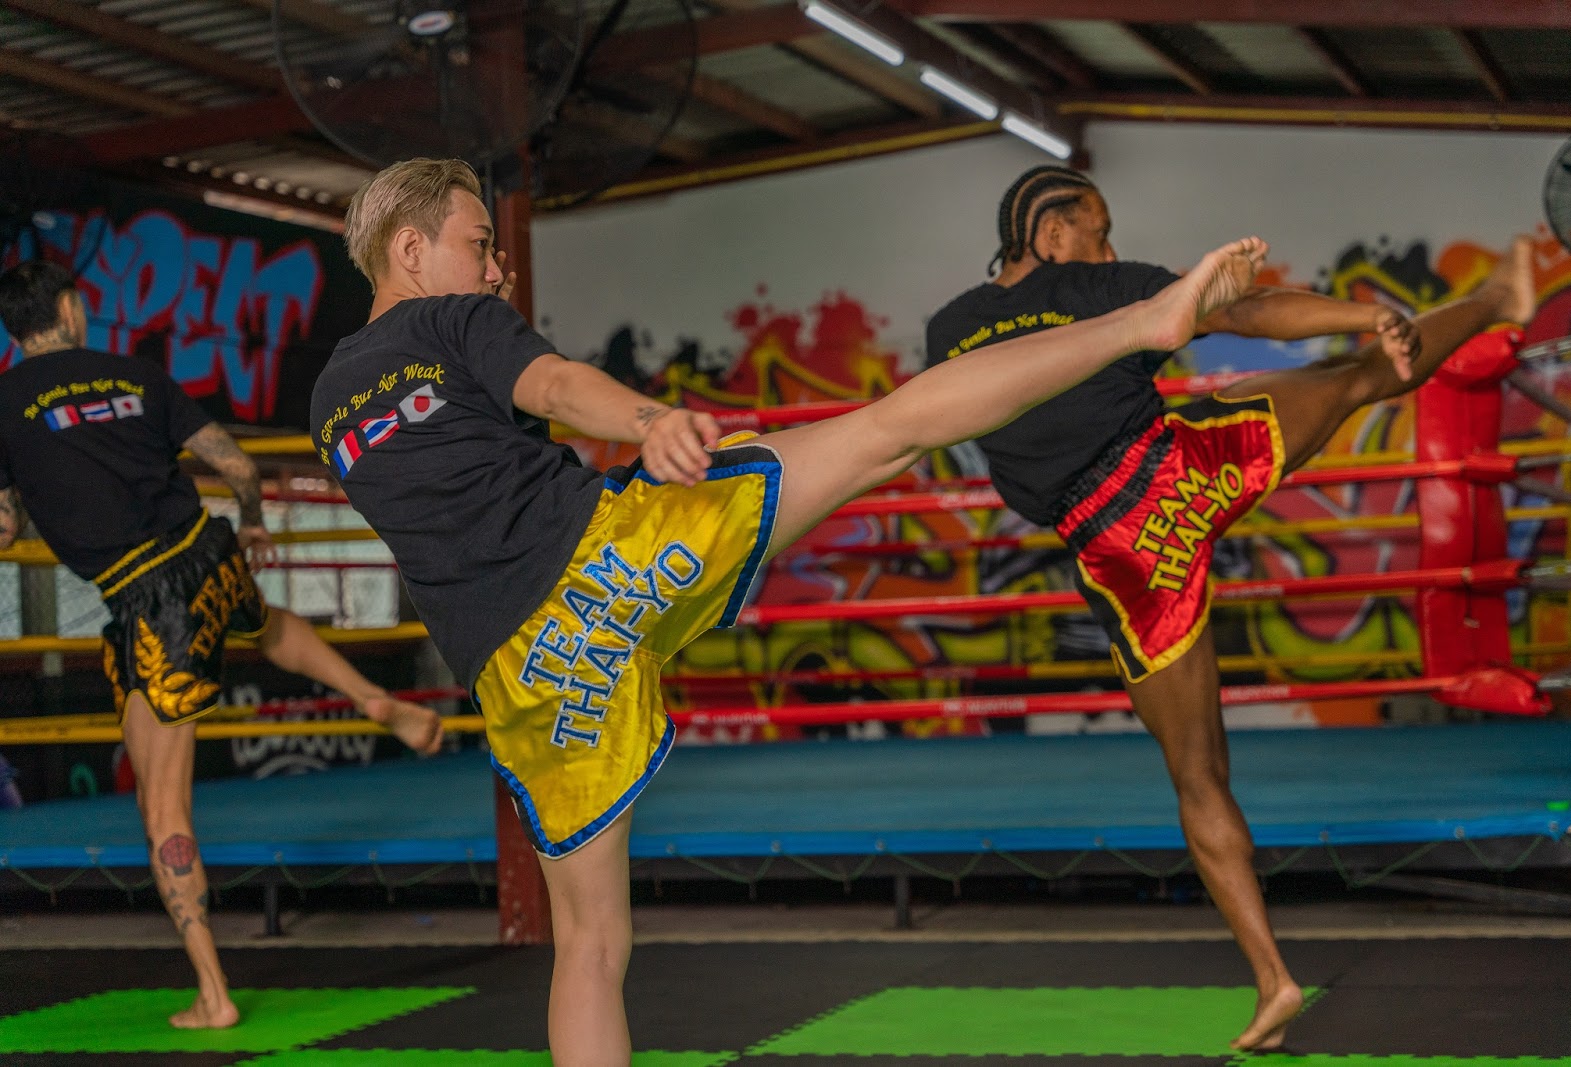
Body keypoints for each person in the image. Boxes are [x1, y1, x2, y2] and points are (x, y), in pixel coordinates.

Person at [311, 156, 1271, 1064]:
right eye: (479, 242)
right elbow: (555, 385)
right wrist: (653, 421)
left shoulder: (329, 403)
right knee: (885, 433)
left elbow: (465, 494)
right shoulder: (452, 322)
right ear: (410, 251)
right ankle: (1145, 323)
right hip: (615, 559)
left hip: (528, 674)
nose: (494, 264)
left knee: (591, 945)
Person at [924, 165, 1538, 1051]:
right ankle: (1494, 295)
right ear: (1050, 235)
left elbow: (916, 425)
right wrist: (1365, 317)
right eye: (1096, 229)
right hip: (1183, 474)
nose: (1108, 245)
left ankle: (1273, 980)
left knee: (1197, 777)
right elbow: (1245, 308)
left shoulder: (956, 324)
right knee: (1365, 377)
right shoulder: (1093, 286)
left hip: (1124, 552)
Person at [0, 261, 445, 1030]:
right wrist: (254, 522)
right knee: (264, 624)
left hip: (144, 597)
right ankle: (377, 700)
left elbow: (4, 527)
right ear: (69, 310)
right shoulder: (136, 375)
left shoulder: (4, 401)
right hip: (206, 554)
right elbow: (238, 465)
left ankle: (213, 992)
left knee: (162, 806)